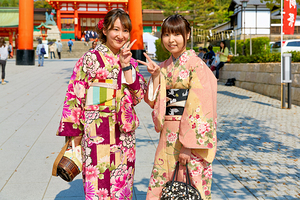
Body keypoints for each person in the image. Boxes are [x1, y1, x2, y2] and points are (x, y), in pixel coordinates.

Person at [56, 9, 146, 199]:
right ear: (104, 30)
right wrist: (75, 137)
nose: (121, 35)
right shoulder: (89, 59)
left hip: (124, 135)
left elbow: (138, 97)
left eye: (125, 31)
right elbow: (75, 97)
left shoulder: (131, 61)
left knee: (123, 187)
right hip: (96, 132)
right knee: (97, 187)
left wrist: (127, 67)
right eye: (115, 29)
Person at [138, 14, 217, 200]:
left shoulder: (196, 65)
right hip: (168, 134)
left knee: (190, 184)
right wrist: (156, 76)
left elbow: (201, 105)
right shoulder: (164, 66)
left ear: (187, 35)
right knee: (165, 182)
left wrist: (188, 145)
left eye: (176, 34)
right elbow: (152, 101)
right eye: (166, 34)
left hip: (188, 136)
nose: (171, 40)